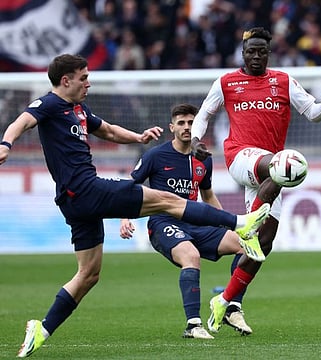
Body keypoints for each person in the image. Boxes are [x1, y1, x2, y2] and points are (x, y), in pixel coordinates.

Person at [0, 54, 270, 358]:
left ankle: (42, 328)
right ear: (66, 80)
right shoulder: (49, 104)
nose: (88, 82)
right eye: (84, 77)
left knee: (88, 274)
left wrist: (138, 137)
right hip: (85, 189)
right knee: (168, 201)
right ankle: (240, 223)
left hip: (75, 202)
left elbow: (110, 131)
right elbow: (21, 122)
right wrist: (5, 144)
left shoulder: (80, 109)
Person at [189, 27, 321, 333]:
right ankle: (246, 228)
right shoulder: (227, 82)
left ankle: (228, 302)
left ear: (268, 53)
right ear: (243, 53)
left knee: (264, 244)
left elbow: (312, 113)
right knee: (281, 166)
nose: (256, 56)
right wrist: (195, 140)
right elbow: (204, 113)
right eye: (251, 51)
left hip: (272, 171)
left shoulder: (283, 81)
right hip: (241, 157)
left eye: (262, 51)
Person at [119, 103, 257, 338]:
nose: (186, 127)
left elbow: (208, 195)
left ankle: (232, 306)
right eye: (181, 123)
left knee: (246, 247)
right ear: (172, 127)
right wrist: (124, 217)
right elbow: (130, 187)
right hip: (164, 223)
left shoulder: (203, 159)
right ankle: (193, 325)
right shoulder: (155, 155)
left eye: (191, 123)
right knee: (191, 256)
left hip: (196, 223)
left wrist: (229, 225)